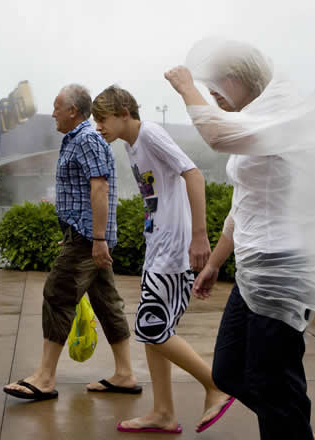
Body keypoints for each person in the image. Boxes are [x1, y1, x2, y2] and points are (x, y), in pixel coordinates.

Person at [165, 37, 315, 440]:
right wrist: (214, 264)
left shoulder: (282, 120)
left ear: (240, 79)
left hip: (283, 270)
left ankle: (290, 427)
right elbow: (240, 208)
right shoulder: (253, 124)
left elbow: (215, 136)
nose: (212, 97)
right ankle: (293, 427)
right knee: (228, 372)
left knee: (273, 381)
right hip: (251, 271)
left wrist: (186, 87)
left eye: (216, 87)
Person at [92, 85, 234, 434]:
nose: (98, 127)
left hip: (173, 251)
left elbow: (194, 174)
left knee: (152, 329)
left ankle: (215, 386)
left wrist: (199, 236)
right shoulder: (131, 145)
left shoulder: (151, 134)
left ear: (125, 112)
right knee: (154, 331)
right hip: (158, 247)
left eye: (103, 119)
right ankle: (163, 412)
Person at [4, 84, 141, 401]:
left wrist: (97, 239)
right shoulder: (78, 140)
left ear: (73, 111)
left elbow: (100, 189)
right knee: (106, 303)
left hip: (86, 237)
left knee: (57, 293)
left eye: (56, 106)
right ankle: (125, 374)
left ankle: (45, 378)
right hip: (83, 234)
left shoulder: (87, 140)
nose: (52, 113)